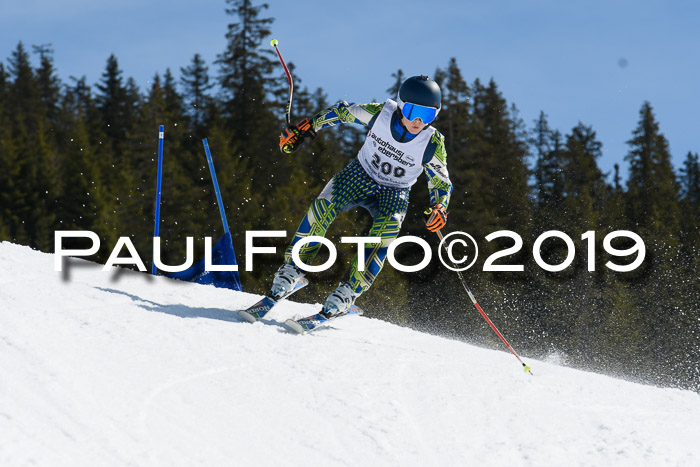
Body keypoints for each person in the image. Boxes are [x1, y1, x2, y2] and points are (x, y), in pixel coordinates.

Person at [272, 75, 453, 317]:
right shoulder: (380, 114)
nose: (418, 121)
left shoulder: (432, 142)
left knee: (384, 234)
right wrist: (305, 129)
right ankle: (293, 270)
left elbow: (441, 181)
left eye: (428, 115)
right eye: (412, 111)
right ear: (400, 105)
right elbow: (342, 112)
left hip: (395, 191)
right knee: (322, 208)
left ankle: (348, 291)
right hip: (360, 175)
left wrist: (440, 206)